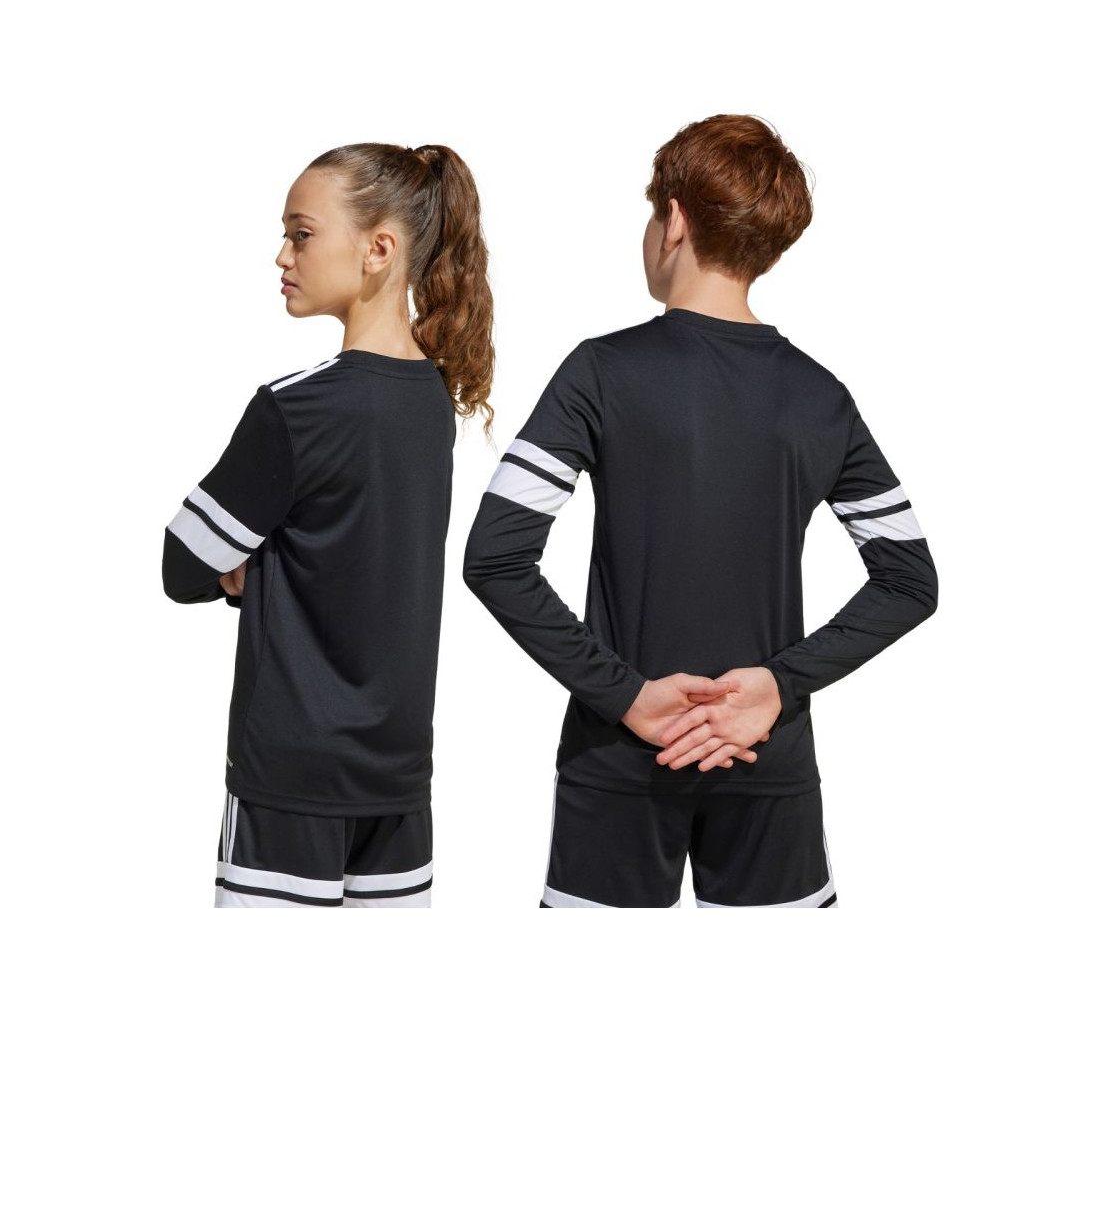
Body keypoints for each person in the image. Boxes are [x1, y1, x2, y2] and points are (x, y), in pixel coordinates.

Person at [463, 114, 938, 908]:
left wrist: (625, 695)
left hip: (618, 761)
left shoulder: (601, 372)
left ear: (675, 220)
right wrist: (779, 686)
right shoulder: (821, 398)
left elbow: (495, 559)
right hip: (767, 758)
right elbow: (910, 581)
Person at [162, 143, 493, 907]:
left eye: (301, 234)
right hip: (399, 786)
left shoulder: (295, 408)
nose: (282, 256)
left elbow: (182, 566)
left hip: (289, 783)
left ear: (379, 250)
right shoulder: (431, 402)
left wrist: (250, 559)